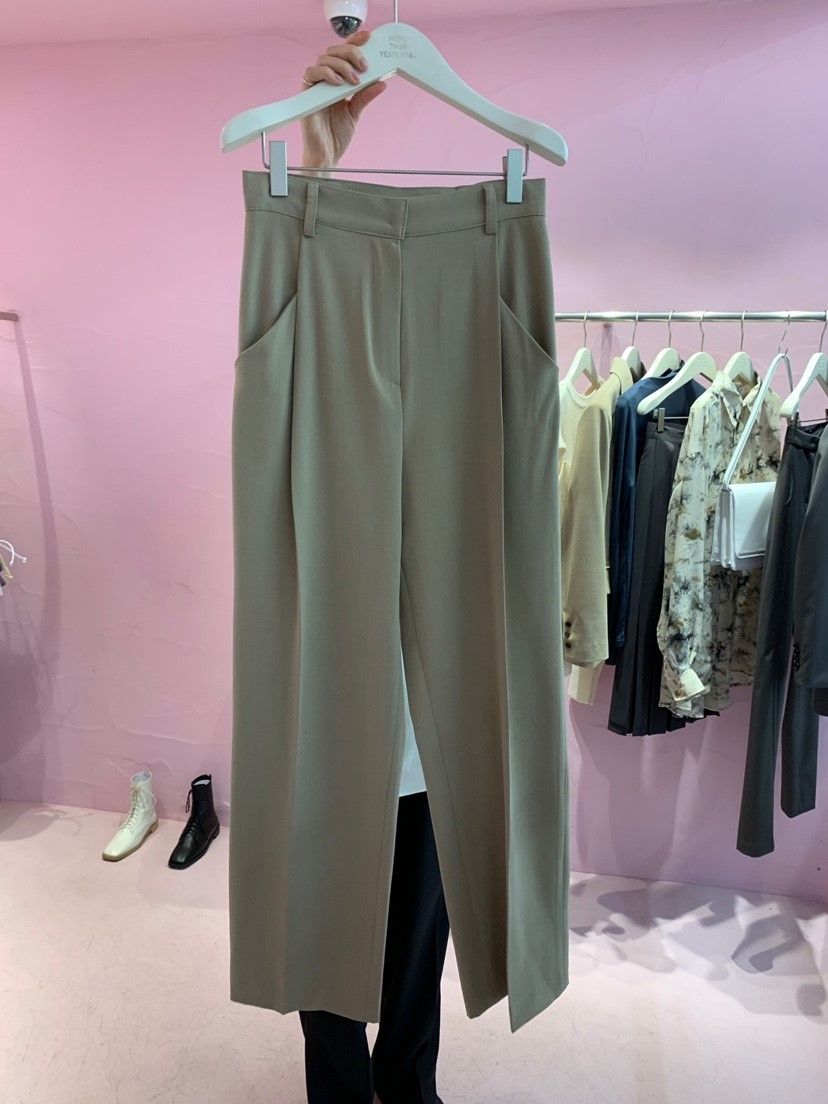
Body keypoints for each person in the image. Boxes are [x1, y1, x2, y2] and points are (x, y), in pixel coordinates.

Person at [294, 29, 451, 1104]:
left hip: (434, 728)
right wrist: (319, 166)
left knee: (417, 942)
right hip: (330, 707)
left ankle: (412, 1087)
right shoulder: (316, 397)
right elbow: (296, 319)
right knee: (326, 933)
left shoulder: (471, 382)